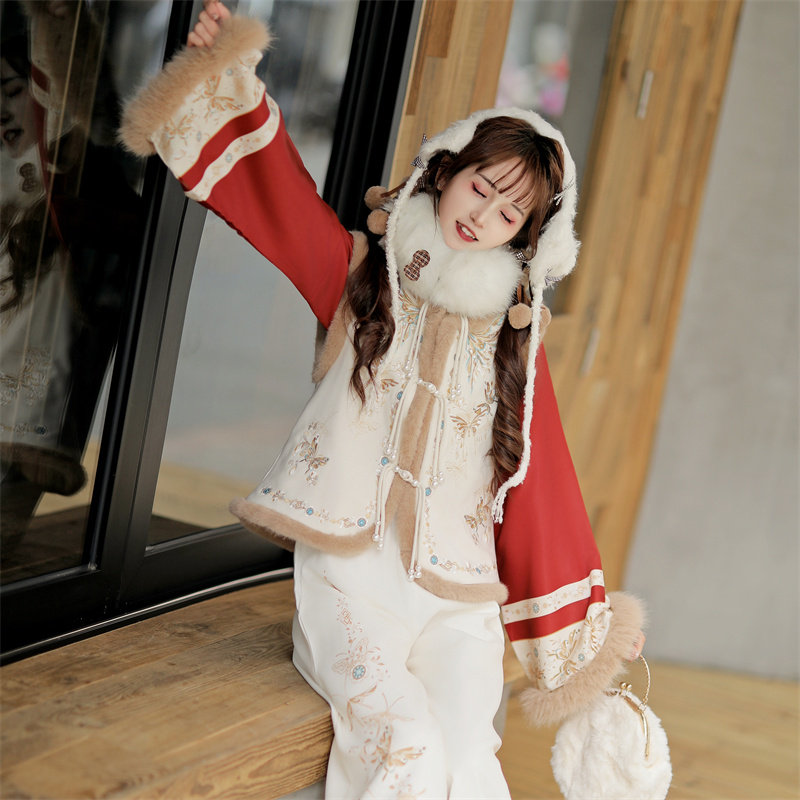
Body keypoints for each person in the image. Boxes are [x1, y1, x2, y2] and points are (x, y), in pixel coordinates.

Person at [121, 3, 645, 797]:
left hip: (458, 595)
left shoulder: (512, 343)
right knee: (402, 743)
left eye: (509, 215)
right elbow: (279, 199)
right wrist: (224, 73)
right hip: (348, 579)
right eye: (480, 188)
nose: (483, 217)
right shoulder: (363, 279)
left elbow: (541, 487)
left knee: (469, 757)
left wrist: (584, 639)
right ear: (445, 171)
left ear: (524, 238)